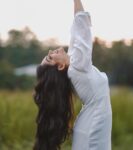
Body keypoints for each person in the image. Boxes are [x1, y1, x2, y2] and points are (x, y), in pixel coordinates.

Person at [33, 0, 112, 150]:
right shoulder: (78, 67)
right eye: (50, 58)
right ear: (61, 66)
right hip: (92, 127)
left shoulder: (75, 62)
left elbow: (78, 27)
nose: (50, 52)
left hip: (92, 122)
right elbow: (82, 28)